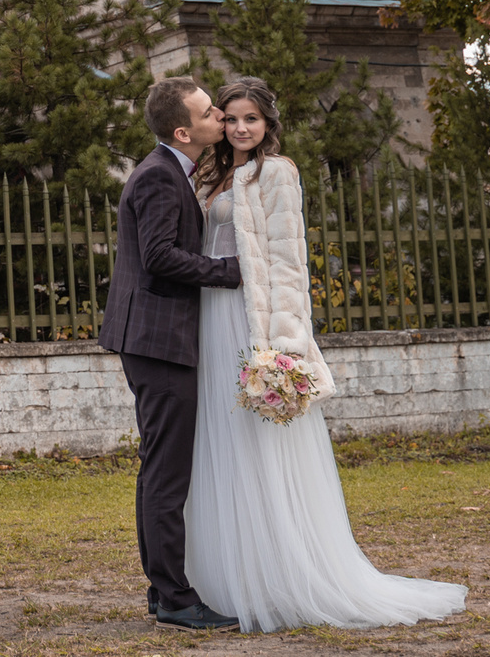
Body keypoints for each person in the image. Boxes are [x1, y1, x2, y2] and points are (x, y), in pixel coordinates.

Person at [184, 79, 469, 632]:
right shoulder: (208, 173)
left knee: (262, 438)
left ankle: (281, 575)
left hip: (251, 314)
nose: (242, 128)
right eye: (233, 118)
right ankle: (225, 576)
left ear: (269, 124)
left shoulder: (277, 173)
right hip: (206, 315)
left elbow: (289, 263)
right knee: (219, 437)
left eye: (253, 119)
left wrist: (284, 346)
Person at [100, 75, 243, 632]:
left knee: (160, 468)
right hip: (157, 340)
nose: (222, 120)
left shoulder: (172, 170)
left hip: (153, 337)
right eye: (211, 114)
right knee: (167, 471)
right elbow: (160, 256)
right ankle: (176, 598)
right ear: (184, 130)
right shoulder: (160, 176)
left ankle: (164, 592)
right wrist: (231, 272)